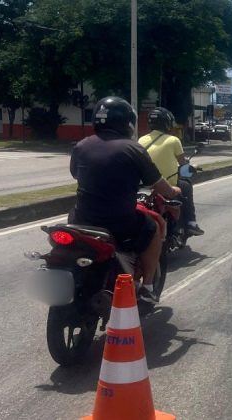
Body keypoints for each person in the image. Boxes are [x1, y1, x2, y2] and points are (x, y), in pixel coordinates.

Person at [69, 97, 180, 304]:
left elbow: (76, 175)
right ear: (128, 122)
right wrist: (173, 190)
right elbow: (159, 186)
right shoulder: (133, 149)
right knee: (154, 227)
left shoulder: (81, 145)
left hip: (80, 220)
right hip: (119, 223)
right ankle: (147, 287)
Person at [139, 107, 204, 236]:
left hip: (145, 185)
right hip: (167, 184)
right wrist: (193, 167)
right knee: (186, 185)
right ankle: (191, 223)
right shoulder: (173, 140)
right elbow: (183, 165)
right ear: (167, 123)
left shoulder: (141, 140)